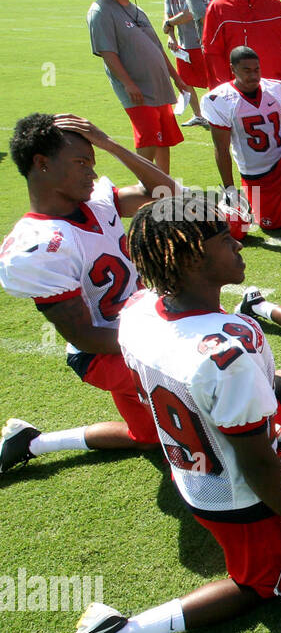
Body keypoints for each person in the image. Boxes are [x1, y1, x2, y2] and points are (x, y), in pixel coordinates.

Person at [39, 193, 281, 633]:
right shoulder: (230, 346)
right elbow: (256, 462)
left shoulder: (138, 312)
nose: (237, 242)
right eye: (222, 239)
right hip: (234, 494)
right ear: (189, 258)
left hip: (190, 464)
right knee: (253, 586)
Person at [0, 114, 177, 475]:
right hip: (102, 352)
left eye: (92, 163)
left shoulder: (97, 200)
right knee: (193, 380)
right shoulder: (38, 247)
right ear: (42, 163)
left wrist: (109, 144)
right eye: (81, 163)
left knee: (148, 439)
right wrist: (169, 339)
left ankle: (31, 442)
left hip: (139, 323)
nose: (92, 174)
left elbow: (166, 193)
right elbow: (84, 336)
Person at [87, 0, 188, 173]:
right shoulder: (101, 11)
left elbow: (158, 48)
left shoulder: (137, 10)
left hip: (159, 86)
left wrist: (177, 78)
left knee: (164, 139)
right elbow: (107, 52)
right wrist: (128, 83)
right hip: (138, 89)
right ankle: (145, 188)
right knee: (149, 139)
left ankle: (164, 186)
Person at [202, 47, 281, 239]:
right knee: (275, 225)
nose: (254, 75)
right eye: (247, 70)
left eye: (257, 69)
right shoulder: (220, 99)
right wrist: (229, 189)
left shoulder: (275, 88)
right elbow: (221, 149)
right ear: (233, 69)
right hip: (259, 173)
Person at [156, 0, 206, 127]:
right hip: (182, 47)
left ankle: (215, 114)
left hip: (198, 44)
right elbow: (167, 16)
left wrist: (169, 23)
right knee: (184, 83)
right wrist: (171, 37)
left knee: (208, 81)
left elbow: (188, 14)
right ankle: (198, 115)